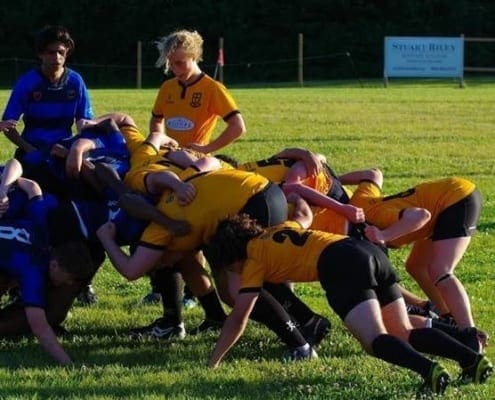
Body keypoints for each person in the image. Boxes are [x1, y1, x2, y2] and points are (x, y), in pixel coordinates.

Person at [204, 212, 493, 394]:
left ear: (232, 258)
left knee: (373, 339)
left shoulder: (252, 260)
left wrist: (213, 362)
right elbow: (303, 214)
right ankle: (471, 361)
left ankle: (429, 372)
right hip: (364, 250)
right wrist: (295, 197)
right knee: (401, 329)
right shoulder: (279, 228)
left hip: (339, 264)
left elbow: (239, 317)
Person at [340, 168, 485, 333]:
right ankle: (448, 315)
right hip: (440, 207)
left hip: (456, 198)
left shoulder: (374, 216)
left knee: (440, 270)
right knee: (416, 266)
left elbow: (421, 216)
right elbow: (373, 174)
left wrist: (384, 235)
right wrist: (336, 180)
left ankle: (470, 333)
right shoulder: (359, 202)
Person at [0, 173, 96, 365]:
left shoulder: (41, 227)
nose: (68, 283)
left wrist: (6, 183)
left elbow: (33, 186)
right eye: (69, 278)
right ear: (54, 264)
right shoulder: (33, 269)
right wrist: (68, 364)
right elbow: (40, 327)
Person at [1, 25, 93, 162]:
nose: (57, 57)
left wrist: (78, 149)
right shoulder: (28, 82)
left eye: (61, 52)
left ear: (67, 52)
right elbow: (7, 125)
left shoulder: (75, 81)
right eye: (51, 52)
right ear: (40, 54)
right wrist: (29, 149)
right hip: (32, 148)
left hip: (63, 148)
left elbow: (85, 122)